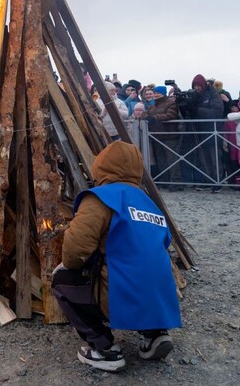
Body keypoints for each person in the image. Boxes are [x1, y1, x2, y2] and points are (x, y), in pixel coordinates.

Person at [53, 141, 181, 372]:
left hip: (121, 294)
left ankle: (104, 350)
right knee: (143, 268)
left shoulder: (101, 197)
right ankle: (155, 334)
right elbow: (164, 243)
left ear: (100, 167)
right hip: (159, 296)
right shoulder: (148, 202)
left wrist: (76, 264)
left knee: (63, 279)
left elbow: (74, 251)